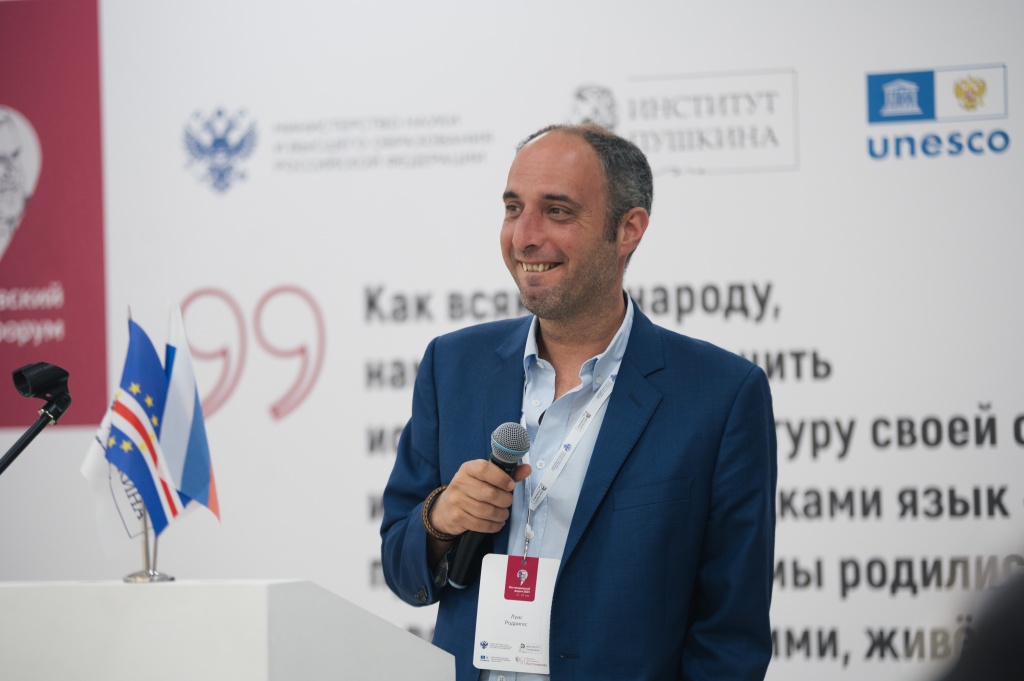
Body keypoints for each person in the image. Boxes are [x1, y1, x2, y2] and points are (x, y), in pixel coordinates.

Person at [380, 123, 777, 681]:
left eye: (557, 211)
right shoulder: (453, 366)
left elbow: (730, 639)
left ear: (628, 229)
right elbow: (402, 569)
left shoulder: (722, 395)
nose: (524, 236)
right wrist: (441, 520)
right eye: (513, 208)